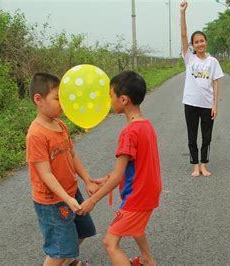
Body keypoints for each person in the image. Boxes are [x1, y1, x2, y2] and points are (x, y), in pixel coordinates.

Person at [78, 71, 162, 266]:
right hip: (149, 192)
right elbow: (137, 165)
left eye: (111, 96)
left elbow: (118, 176)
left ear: (123, 99)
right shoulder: (146, 126)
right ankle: (148, 260)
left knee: (110, 243)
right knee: (136, 227)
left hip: (137, 197)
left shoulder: (129, 133)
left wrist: (92, 201)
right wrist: (106, 178)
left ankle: (147, 260)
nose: (110, 100)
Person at [26, 73, 100, 266]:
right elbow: (46, 174)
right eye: (58, 98)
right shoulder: (36, 134)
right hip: (53, 201)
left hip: (70, 192)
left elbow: (72, 155)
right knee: (58, 250)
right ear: (38, 99)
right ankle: (63, 260)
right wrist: (66, 199)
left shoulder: (60, 125)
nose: (63, 103)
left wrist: (87, 179)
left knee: (83, 231)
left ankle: (68, 262)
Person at [180, 0, 224, 177]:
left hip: (207, 105)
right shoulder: (189, 59)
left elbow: (215, 83)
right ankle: (195, 166)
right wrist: (182, 13)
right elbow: (183, 36)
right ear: (192, 45)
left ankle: (204, 165)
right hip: (190, 103)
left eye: (202, 41)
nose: (199, 44)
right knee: (192, 136)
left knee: (207, 137)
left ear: (206, 42)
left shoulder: (213, 62)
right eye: (196, 42)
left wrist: (215, 105)